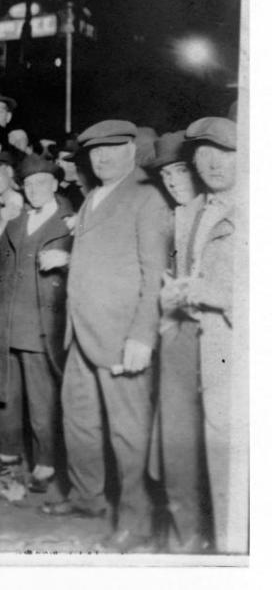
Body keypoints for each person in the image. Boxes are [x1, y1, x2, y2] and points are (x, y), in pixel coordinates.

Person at [43, 119, 171, 555]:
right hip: (81, 330)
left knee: (129, 432)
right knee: (78, 419)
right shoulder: (94, 195)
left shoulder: (146, 197)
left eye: (113, 149)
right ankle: (87, 499)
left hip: (120, 335)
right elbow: (101, 254)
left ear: (132, 150)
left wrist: (142, 336)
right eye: (95, 151)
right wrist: (67, 256)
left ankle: (136, 521)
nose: (102, 157)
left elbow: (154, 274)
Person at [0, 155, 73, 493]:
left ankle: (45, 463)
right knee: (4, 396)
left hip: (43, 325)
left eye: (41, 183)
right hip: (5, 323)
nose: (34, 189)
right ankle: (8, 457)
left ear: (55, 185)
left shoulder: (71, 221)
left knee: (42, 401)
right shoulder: (15, 219)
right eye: (28, 184)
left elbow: (90, 264)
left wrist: (67, 261)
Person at [160, 118, 243, 553]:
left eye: (224, 153)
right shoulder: (194, 211)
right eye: (202, 154)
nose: (211, 163)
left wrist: (217, 295)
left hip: (239, 355)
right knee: (215, 457)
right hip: (203, 350)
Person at [145, 130, 208, 553]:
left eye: (180, 170)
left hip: (206, 339)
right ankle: (181, 533)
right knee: (172, 439)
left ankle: (194, 535)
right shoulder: (176, 214)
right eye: (166, 173)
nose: (172, 180)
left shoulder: (213, 211)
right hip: (175, 336)